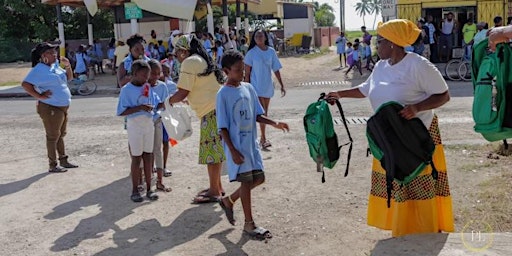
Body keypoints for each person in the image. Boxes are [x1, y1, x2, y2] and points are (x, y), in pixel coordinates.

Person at [327, 19, 454, 237]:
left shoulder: (418, 65)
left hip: (415, 138)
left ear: (393, 43)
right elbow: (366, 89)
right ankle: (403, 228)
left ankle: (424, 230)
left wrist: (417, 107)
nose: (376, 45)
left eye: (380, 41)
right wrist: (340, 94)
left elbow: (444, 95)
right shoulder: (380, 66)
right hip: (389, 137)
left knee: (417, 182)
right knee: (397, 182)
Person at [216, 50, 289, 240]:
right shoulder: (223, 94)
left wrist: (275, 123)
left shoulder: (248, 88)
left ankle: (229, 200)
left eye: (242, 70)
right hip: (237, 147)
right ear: (226, 71)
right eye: (238, 70)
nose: (242, 73)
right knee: (247, 182)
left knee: (259, 178)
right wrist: (232, 151)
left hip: (251, 145)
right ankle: (249, 224)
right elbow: (222, 127)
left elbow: (257, 114)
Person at [168, 35, 226, 203]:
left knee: (212, 152)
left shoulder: (189, 62)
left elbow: (182, 92)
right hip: (217, 109)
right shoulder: (202, 59)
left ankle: (215, 191)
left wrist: (166, 102)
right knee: (215, 151)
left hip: (211, 111)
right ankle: (217, 186)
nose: (177, 56)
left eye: (177, 52)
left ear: (183, 51)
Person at [21, 42, 79, 173]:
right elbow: (25, 84)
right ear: (43, 56)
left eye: (55, 52)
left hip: (62, 106)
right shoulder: (38, 70)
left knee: (61, 134)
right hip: (50, 107)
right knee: (52, 136)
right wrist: (39, 96)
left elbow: (69, 78)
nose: (55, 54)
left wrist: (68, 66)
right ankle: (53, 164)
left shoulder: (55, 67)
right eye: (51, 52)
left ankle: (64, 160)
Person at [116, 60, 160, 202]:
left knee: (148, 156)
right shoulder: (126, 90)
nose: (145, 79)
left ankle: (149, 189)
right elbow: (122, 111)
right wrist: (140, 107)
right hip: (134, 126)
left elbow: (155, 102)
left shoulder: (146, 86)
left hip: (148, 125)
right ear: (134, 74)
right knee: (136, 158)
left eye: (147, 76)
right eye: (142, 76)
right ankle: (135, 189)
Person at [244, 29, 286, 150]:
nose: (259, 37)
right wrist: (246, 88)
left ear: (265, 37)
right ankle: (263, 138)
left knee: (265, 113)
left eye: (261, 35)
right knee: (261, 113)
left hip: (267, 85)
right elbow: (247, 73)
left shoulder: (271, 52)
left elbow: (276, 69)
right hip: (255, 87)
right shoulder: (251, 53)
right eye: (256, 36)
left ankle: (262, 137)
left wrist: (282, 84)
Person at [146, 59, 172, 192]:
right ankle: (148, 179)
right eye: (152, 73)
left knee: (157, 150)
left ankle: (160, 181)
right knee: (147, 151)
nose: (155, 76)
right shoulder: (144, 87)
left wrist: (162, 106)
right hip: (145, 123)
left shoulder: (162, 86)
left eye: (158, 73)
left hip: (157, 121)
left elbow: (165, 104)